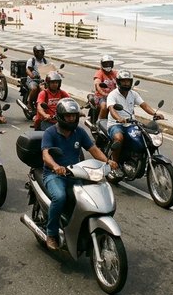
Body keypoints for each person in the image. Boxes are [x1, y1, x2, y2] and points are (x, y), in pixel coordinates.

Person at [41, 98, 117, 250]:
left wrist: (108, 162)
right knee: (60, 197)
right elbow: (46, 155)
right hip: (54, 175)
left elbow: (93, 150)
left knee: (92, 197)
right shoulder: (50, 132)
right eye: (68, 116)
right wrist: (56, 166)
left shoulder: (79, 132)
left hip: (76, 173)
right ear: (61, 117)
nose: (71, 119)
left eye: (74, 116)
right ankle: (51, 233)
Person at [106, 70, 164, 165]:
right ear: (118, 82)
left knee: (144, 137)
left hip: (131, 124)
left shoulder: (133, 94)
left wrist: (154, 114)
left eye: (128, 81)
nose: (126, 83)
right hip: (115, 124)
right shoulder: (113, 95)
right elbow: (112, 109)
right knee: (119, 138)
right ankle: (114, 163)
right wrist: (119, 118)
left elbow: (144, 105)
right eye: (123, 81)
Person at [93, 55, 117, 120]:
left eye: (109, 63)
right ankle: (100, 122)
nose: (108, 65)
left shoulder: (115, 73)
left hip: (114, 96)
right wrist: (103, 93)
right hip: (101, 97)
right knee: (104, 106)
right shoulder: (99, 73)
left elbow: (120, 81)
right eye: (106, 63)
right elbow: (97, 83)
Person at [25, 44, 49, 109]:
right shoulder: (31, 60)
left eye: (41, 52)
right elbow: (28, 69)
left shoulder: (45, 61)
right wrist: (31, 75)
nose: (40, 53)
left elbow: (50, 68)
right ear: (35, 52)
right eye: (38, 52)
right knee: (34, 88)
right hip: (33, 80)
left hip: (43, 80)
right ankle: (29, 103)